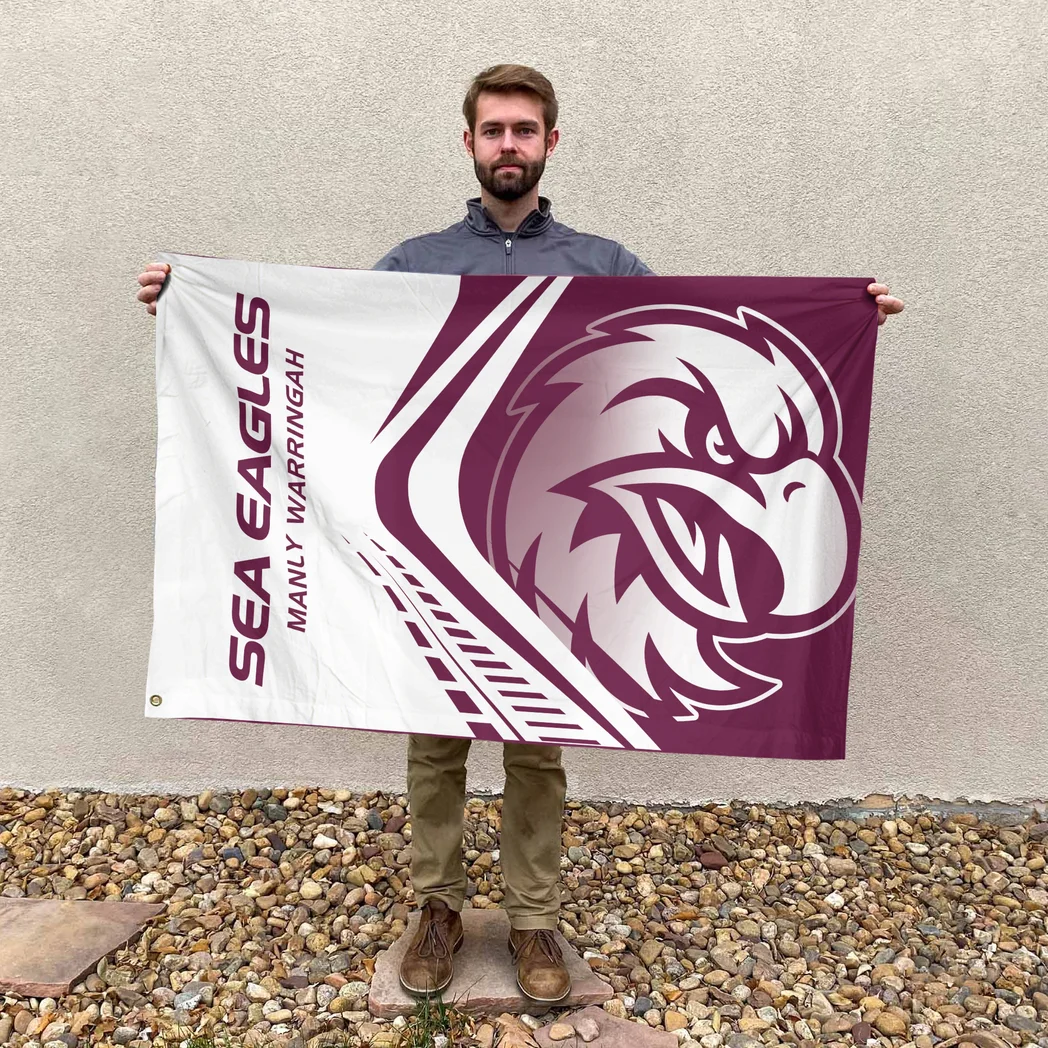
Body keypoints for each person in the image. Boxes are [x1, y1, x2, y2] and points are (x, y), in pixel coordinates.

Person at [135, 63, 904, 1005]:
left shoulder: (605, 267)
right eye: (494, 129)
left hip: (556, 556)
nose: (510, 145)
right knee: (433, 738)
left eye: (525, 130)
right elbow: (324, 348)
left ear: (551, 143)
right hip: (429, 552)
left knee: (542, 739)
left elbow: (703, 337)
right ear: (469, 142)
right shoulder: (415, 264)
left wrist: (846, 318)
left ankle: (535, 916)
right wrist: (195, 304)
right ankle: (438, 907)